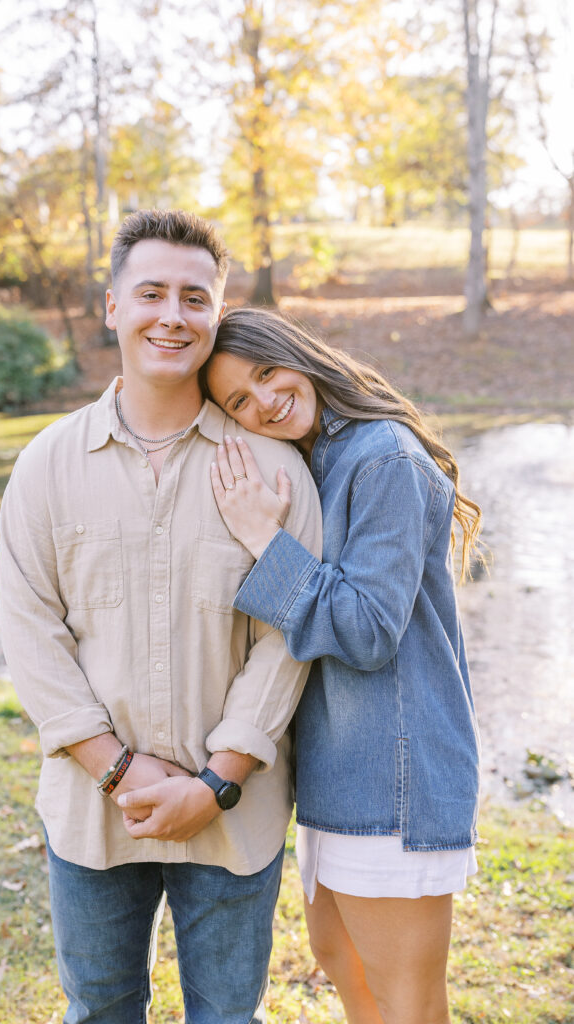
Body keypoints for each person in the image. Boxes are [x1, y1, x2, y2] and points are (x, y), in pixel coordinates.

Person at [0, 211, 322, 1024]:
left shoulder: (274, 470)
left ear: (217, 314)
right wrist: (117, 768)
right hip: (91, 810)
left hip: (233, 815)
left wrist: (216, 782)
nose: (170, 316)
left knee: (225, 1015)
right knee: (100, 1009)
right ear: (112, 306)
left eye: (193, 297)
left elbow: (287, 641)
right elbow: (32, 637)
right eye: (150, 293)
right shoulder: (44, 467)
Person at [204, 306, 482, 1024]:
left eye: (266, 373)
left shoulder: (382, 455)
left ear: (297, 353)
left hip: (395, 772)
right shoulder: (317, 459)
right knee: (340, 961)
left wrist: (265, 537)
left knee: (405, 1001)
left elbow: (365, 631)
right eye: (238, 400)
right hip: (337, 772)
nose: (262, 401)